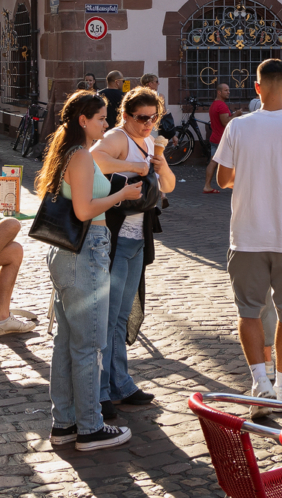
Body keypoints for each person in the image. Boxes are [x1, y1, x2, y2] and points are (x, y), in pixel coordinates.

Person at [214, 58, 282, 403]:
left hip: (247, 234)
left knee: (248, 312)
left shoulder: (237, 127)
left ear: (257, 88)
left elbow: (222, 179)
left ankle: (259, 380)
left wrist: (247, 176)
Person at [37, 91, 143, 452]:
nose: (106, 122)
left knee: (67, 343)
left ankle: (65, 423)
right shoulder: (80, 155)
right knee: (88, 345)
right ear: (83, 120)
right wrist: (121, 195)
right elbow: (84, 210)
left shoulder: (71, 152)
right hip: (86, 251)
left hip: (70, 253)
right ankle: (90, 427)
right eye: (101, 117)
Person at [90, 86, 176, 419]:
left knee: (122, 315)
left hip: (138, 237)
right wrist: (137, 167)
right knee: (108, 318)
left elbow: (167, 184)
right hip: (114, 237)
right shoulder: (118, 136)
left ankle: (120, 382)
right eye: (141, 118)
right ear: (126, 116)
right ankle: (101, 390)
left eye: (154, 118)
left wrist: (159, 161)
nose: (148, 124)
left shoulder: (150, 140)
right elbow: (94, 157)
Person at [202, 82, 233, 194]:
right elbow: (226, 122)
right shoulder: (221, 105)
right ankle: (235, 185)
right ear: (219, 92)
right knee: (234, 161)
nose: (228, 92)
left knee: (213, 162)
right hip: (222, 139)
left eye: (228, 90)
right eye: (226, 90)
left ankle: (207, 186)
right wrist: (237, 115)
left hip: (215, 137)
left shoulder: (214, 104)